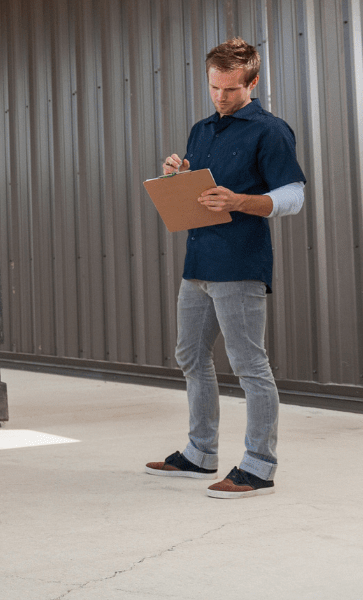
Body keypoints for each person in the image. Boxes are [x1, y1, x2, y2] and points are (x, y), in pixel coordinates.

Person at [143, 38, 306, 499]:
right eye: (214, 87)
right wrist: (179, 175)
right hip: (198, 261)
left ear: (252, 83)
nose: (221, 96)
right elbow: (202, 189)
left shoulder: (270, 131)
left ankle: (259, 466)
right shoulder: (201, 129)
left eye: (231, 89)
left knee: (250, 365)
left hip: (239, 264)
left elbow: (293, 196)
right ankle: (200, 452)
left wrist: (240, 201)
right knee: (191, 357)